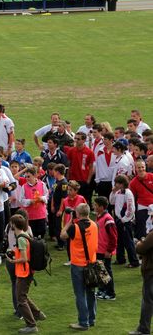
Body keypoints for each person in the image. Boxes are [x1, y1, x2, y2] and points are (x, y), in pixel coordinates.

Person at [60, 203, 99, 331]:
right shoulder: (94, 225)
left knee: (80, 294)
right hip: (92, 263)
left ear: (77, 214)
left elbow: (62, 235)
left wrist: (69, 221)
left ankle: (83, 322)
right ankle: (91, 319)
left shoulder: (74, 227)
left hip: (78, 265)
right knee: (91, 292)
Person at [6, 214, 46, 334]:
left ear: (14, 225)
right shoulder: (25, 235)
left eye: (11, 223)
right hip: (26, 271)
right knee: (23, 296)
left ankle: (31, 325)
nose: (10, 225)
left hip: (24, 272)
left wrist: (12, 260)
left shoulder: (21, 239)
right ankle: (38, 314)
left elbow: (24, 258)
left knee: (21, 299)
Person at [110, 175, 140, 268]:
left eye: (117, 183)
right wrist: (113, 192)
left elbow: (131, 208)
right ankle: (120, 259)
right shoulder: (118, 192)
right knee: (119, 241)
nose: (115, 185)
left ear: (122, 184)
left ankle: (134, 261)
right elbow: (111, 202)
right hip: (119, 219)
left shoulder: (128, 193)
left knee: (128, 241)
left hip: (125, 221)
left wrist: (124, 219)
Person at [129, 224, 153, 335]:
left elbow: (140, 248)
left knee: (147, 301)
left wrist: (141, 241)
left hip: (151, 272)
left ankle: (143, 329)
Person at [93, 196, 117, 301]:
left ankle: (111, 293)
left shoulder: (108, 219)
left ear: (101, 207)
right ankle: (102, 290)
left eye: (95, 205)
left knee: (106, 271)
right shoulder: (99, 216)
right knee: (100, 271)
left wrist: (109, 250)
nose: (94, 207)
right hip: (99, 249)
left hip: (105, 251)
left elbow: (113, 237)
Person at [19, 167, 49, 239]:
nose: (27, 178)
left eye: (28, 176)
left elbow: (47, 195)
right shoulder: (24, 187)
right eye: (25, 176)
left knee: (41, 232)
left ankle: (40, 246)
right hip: (30, 215)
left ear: (35, 175)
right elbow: (21, 200)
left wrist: (41, 198)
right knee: (32, 234)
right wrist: (30, 201)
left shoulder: (42, 184)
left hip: (41, 214)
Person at [66, 132, 95, 205]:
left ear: (84, 140)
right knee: (71, 198)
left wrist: (88, 180)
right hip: (73, 179)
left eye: (78, 139)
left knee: (83, 199)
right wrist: (68, 177)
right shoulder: (71, 150)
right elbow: (69, 165)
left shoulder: (89, 152)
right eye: (75, 138)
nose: (76, 140)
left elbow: (91, 167)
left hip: (83, 179)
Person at [130, 160, 153, 241]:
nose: (141, 169)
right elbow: (132, 197)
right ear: (135, 169)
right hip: (142, 206)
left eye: (142, 167)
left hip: (152, 205)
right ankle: (142, 244)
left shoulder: (151, 176)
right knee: (142, 226)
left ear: (145, 167)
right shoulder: (133, 182)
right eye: (139, 167)